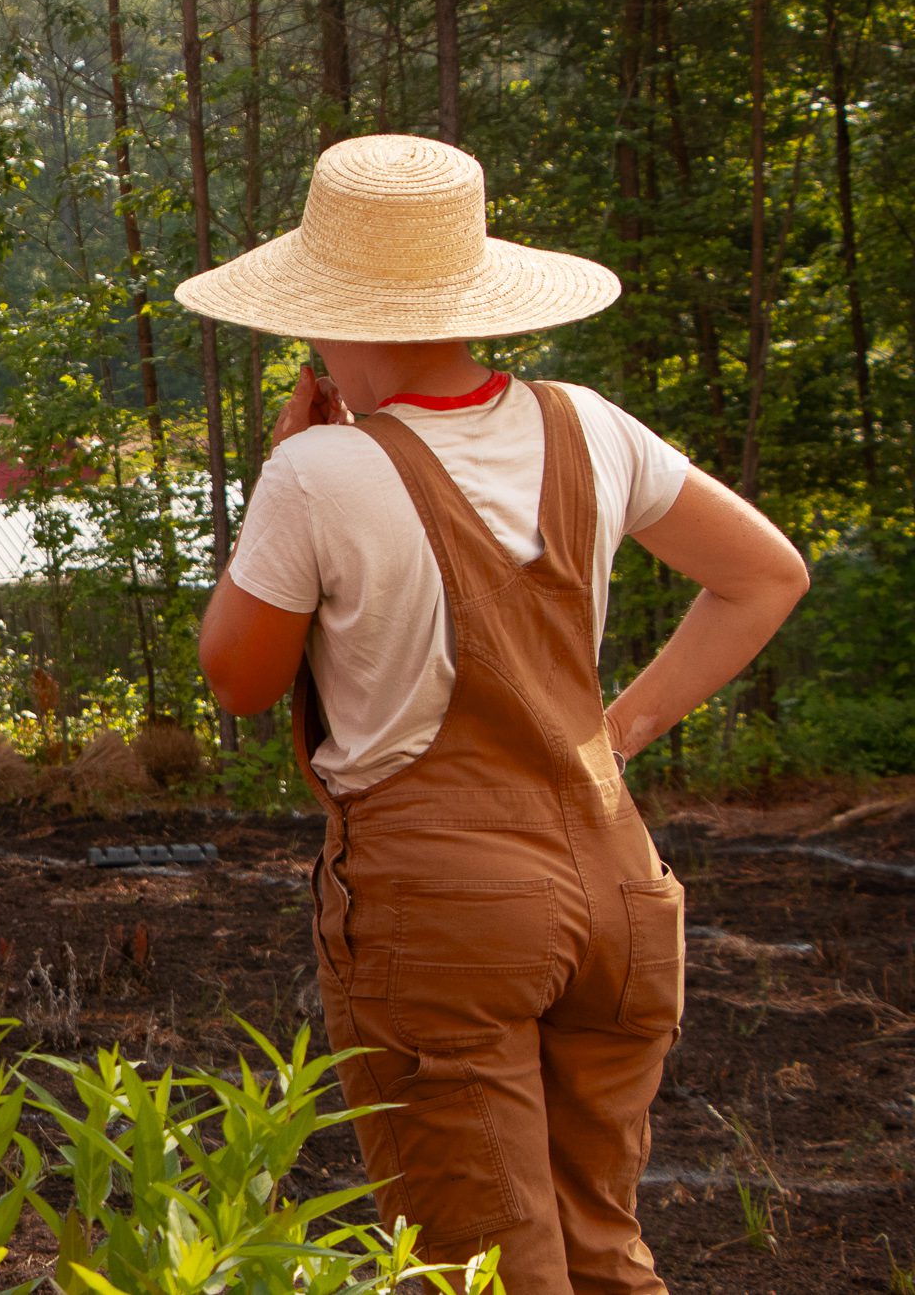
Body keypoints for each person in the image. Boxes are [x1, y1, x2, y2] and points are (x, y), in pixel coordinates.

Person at [185, 134, 807, 1295]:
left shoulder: (321, 471)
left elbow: (238, 676)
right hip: (619, 888)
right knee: (602, 1255)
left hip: (444, 910)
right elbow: (764, 576)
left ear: (325, 315)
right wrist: (606, 740)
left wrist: (287, 475)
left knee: (483, 1272)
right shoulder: (588, 425)